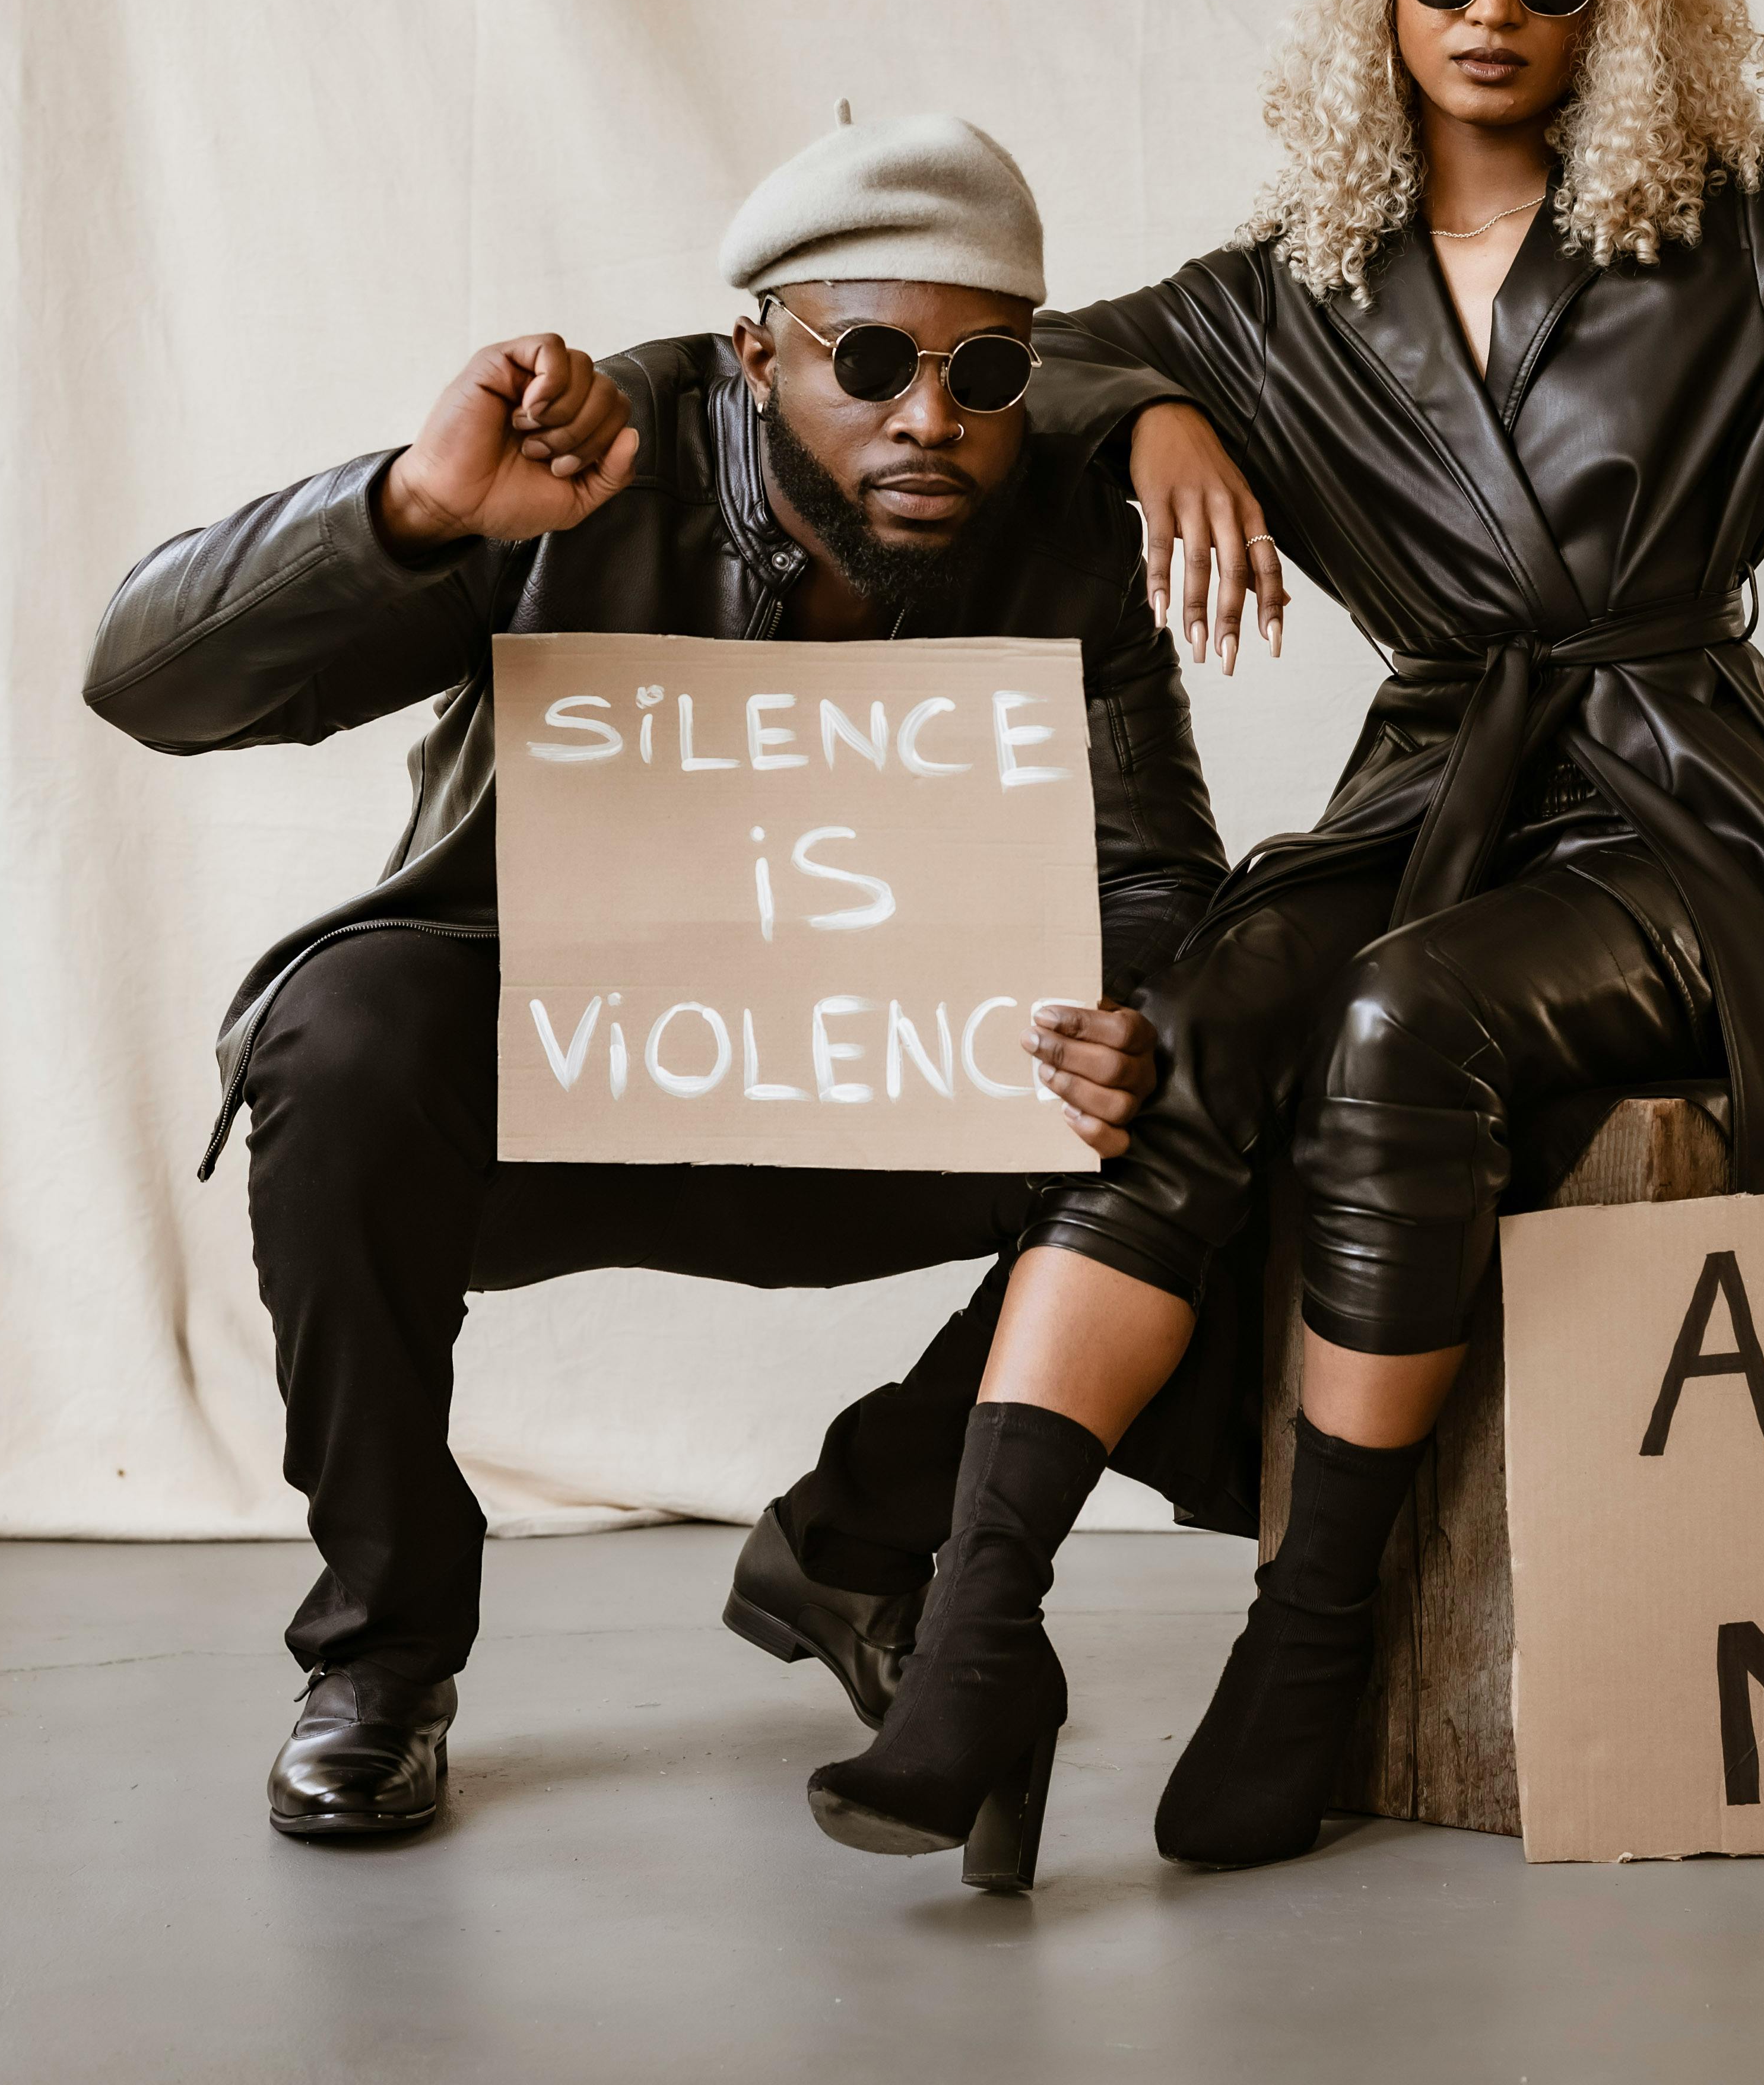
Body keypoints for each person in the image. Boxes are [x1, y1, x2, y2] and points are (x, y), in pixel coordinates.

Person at [804, 0, 1764, 1882]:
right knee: (1220, 1005)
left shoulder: (1744, 235)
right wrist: (1148, 417)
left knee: (1410, 1022)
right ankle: (973, 1629)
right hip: (1432, 794)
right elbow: (1018, 361)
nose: (1493, 6)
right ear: (1383, 0)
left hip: (1682, 821)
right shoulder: (1290, 293)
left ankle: (1308, 1642)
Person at [83, 112, 1239, 1845]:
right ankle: (384, 1657)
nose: (931, 416)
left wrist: (1135, 1012)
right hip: (553, 1092)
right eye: (869, 362)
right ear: (753, 355)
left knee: (1233, 1097)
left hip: (878, 1091)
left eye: (985, 371)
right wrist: (410, 510)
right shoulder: (588, 463)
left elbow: (1153, 872)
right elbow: (146, 682)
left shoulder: (1060, 532)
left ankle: (858, 1542)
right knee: (347, 1027)